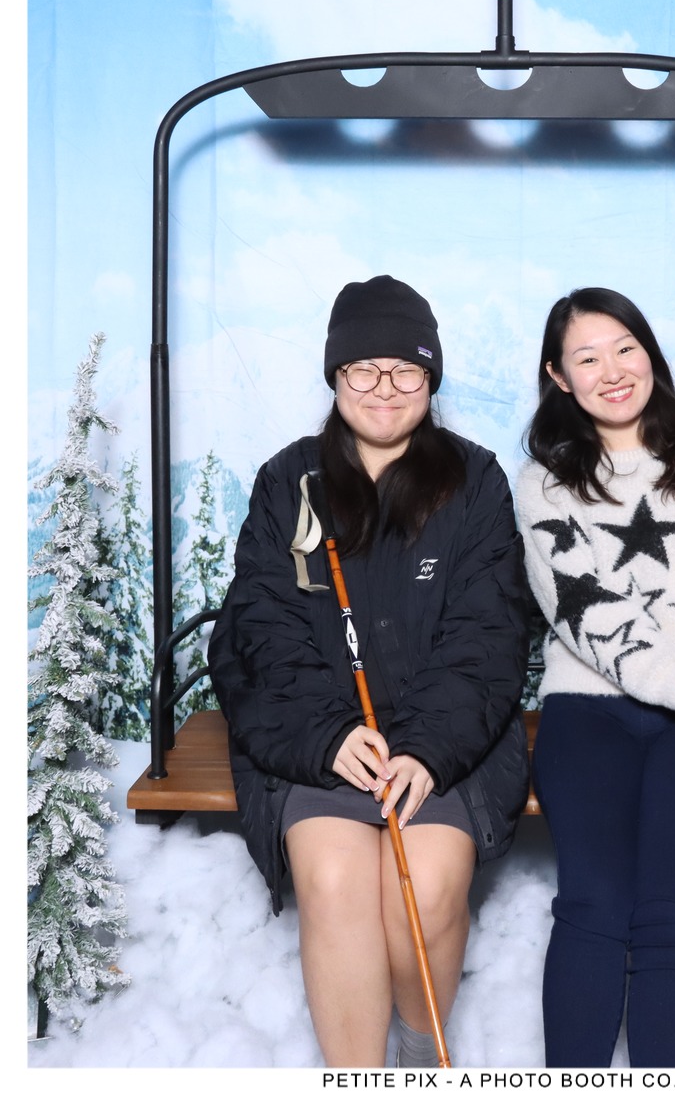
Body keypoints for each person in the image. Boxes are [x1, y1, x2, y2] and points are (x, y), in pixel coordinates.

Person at [207, 274, 530, 1068]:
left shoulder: (475, 482)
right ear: (335, 374)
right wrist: (329, 735)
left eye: (406, 370)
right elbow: (260, 631)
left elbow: (488, 636)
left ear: (432, 378)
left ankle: (419, 1060)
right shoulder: (289, 482)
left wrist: (425, 748)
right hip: (319, 736)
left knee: (424, 884)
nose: (385, 388)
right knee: (334, 881)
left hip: (448, 742)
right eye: (363, 369)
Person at [514, 287, 675, 1068]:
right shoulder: (543, 483)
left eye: (626, 348)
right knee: (594, 905)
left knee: (670, 914)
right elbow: (582, 611)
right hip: (588, 711)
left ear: (650, 352)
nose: (613, 371)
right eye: (587, 358)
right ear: (559, 377)